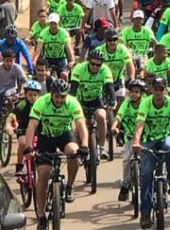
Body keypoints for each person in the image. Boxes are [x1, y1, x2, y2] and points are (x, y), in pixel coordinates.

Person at [25, 78, 89, 230]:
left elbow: (81, 125)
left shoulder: (72, 102)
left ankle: (70, 186)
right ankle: (41, 215)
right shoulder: (41, 102)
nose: (60, 100)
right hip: (45, 137)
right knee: (43, 173)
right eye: (57, 96)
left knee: (73, 152)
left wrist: (85, 145)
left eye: (63, 96)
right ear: (51, 94)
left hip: (63, 135)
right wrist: (28, 147)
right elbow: (32, 125)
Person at [132, 77, 170, 228]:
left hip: (166, 137)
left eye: (161, 89)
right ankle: (145, 213)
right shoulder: (146, 103)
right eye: (156, 88)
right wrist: (136, 142)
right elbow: (139, 125)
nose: (158, 92)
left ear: (166, 90)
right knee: (146, 176)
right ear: (151, 89)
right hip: (149, 140)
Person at [70, 49, 116, 160]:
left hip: (97, 99)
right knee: (78, 126)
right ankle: (82, 148)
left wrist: (113, 101)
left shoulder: (105, 70)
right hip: (81, 100)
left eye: (98, 65)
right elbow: (73, 89)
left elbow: (109, 88)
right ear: (88, 61)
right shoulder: (79, 69)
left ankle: (100, 147)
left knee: (101, 117)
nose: (95, 67)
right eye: (93, 63)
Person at [0, 49, 28, 153]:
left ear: (14, 60)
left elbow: (25, 81)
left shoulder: (17, 68)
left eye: (11, 61)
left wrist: (23, 92)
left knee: (10, 101)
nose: (9, 63)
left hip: (11, 92)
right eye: (6, 61)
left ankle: (11, 120)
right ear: (3, 60)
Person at [112, 79, 146, 201]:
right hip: (129, 136)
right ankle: (125, 186)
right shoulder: (126, 103)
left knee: (145, 161)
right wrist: (114, 126)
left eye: (137, 92)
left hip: (144, 136)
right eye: (131, 91)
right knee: (127, 160)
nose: (134, 94)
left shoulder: (145, 103)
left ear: (141, 93)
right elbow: (119, 116)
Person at [8, 80, 41, 177]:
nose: (33, 97)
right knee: (23, 143)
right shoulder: (22, 105)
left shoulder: (41, 105)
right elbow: (12, 116)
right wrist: (8, 126)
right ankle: (20, 166)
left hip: (38, 131)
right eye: (30, 95)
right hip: (23, 130)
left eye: (35, 95)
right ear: (25, 94)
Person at [97, 27, 136, 104]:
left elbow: (130, 65)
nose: (112, 42)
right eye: (109, 40)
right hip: (102, 82)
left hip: (118, 81)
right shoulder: (99, 50)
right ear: (105, 40)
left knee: (120, 104)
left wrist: (131, 79)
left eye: (114, 39)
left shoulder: (122, 49)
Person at [32, 13, 75, 80]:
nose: (53, 26)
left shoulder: (64, 33)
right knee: (46, 75)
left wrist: (72, 60)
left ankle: (64, 89)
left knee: (64, 75)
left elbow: (68, 47)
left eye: (55, 23)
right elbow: (39, 48)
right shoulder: (44, 33)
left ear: (58, 23)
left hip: (61, 59)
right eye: (51, 23)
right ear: (48, 24)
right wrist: (34, 60)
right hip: (48, 59)